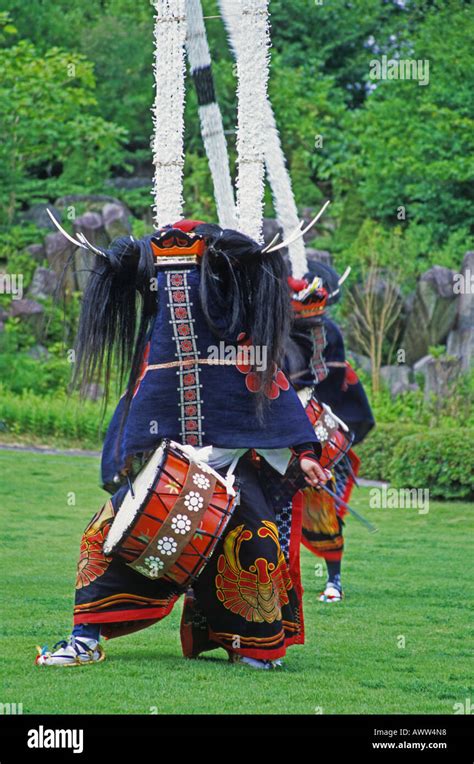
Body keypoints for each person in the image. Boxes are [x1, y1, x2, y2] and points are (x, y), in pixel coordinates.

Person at [36, 219, 328, 669]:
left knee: (257, 542)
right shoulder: (160, 348)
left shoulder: (242, 344)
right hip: (167, 469)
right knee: (103, 536)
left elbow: (276, 399)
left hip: (231, 469)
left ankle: (252, 646)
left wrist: (304, 455)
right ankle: (85, 637)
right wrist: (133, 463)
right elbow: (137, 407)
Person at [285, 261, 375, 602]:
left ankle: (333, 580)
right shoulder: (274, 331)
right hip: (279, 434)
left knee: (323, 509)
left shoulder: (330, 333)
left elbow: (332, 385)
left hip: (322, 433)